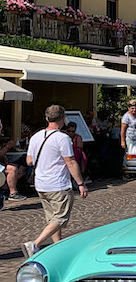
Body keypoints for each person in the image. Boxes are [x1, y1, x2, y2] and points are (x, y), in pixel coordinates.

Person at [23, 105, 88, 257]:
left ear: (47, 118)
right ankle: (35, 244)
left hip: (41, 184)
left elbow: (29, 161)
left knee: (52, 219)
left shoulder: (36, 136)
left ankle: (57, 246)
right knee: (60, 218)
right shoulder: (63, 138)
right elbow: (70, 162)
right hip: (58, 184)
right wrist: (80, 184)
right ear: (63, 119)